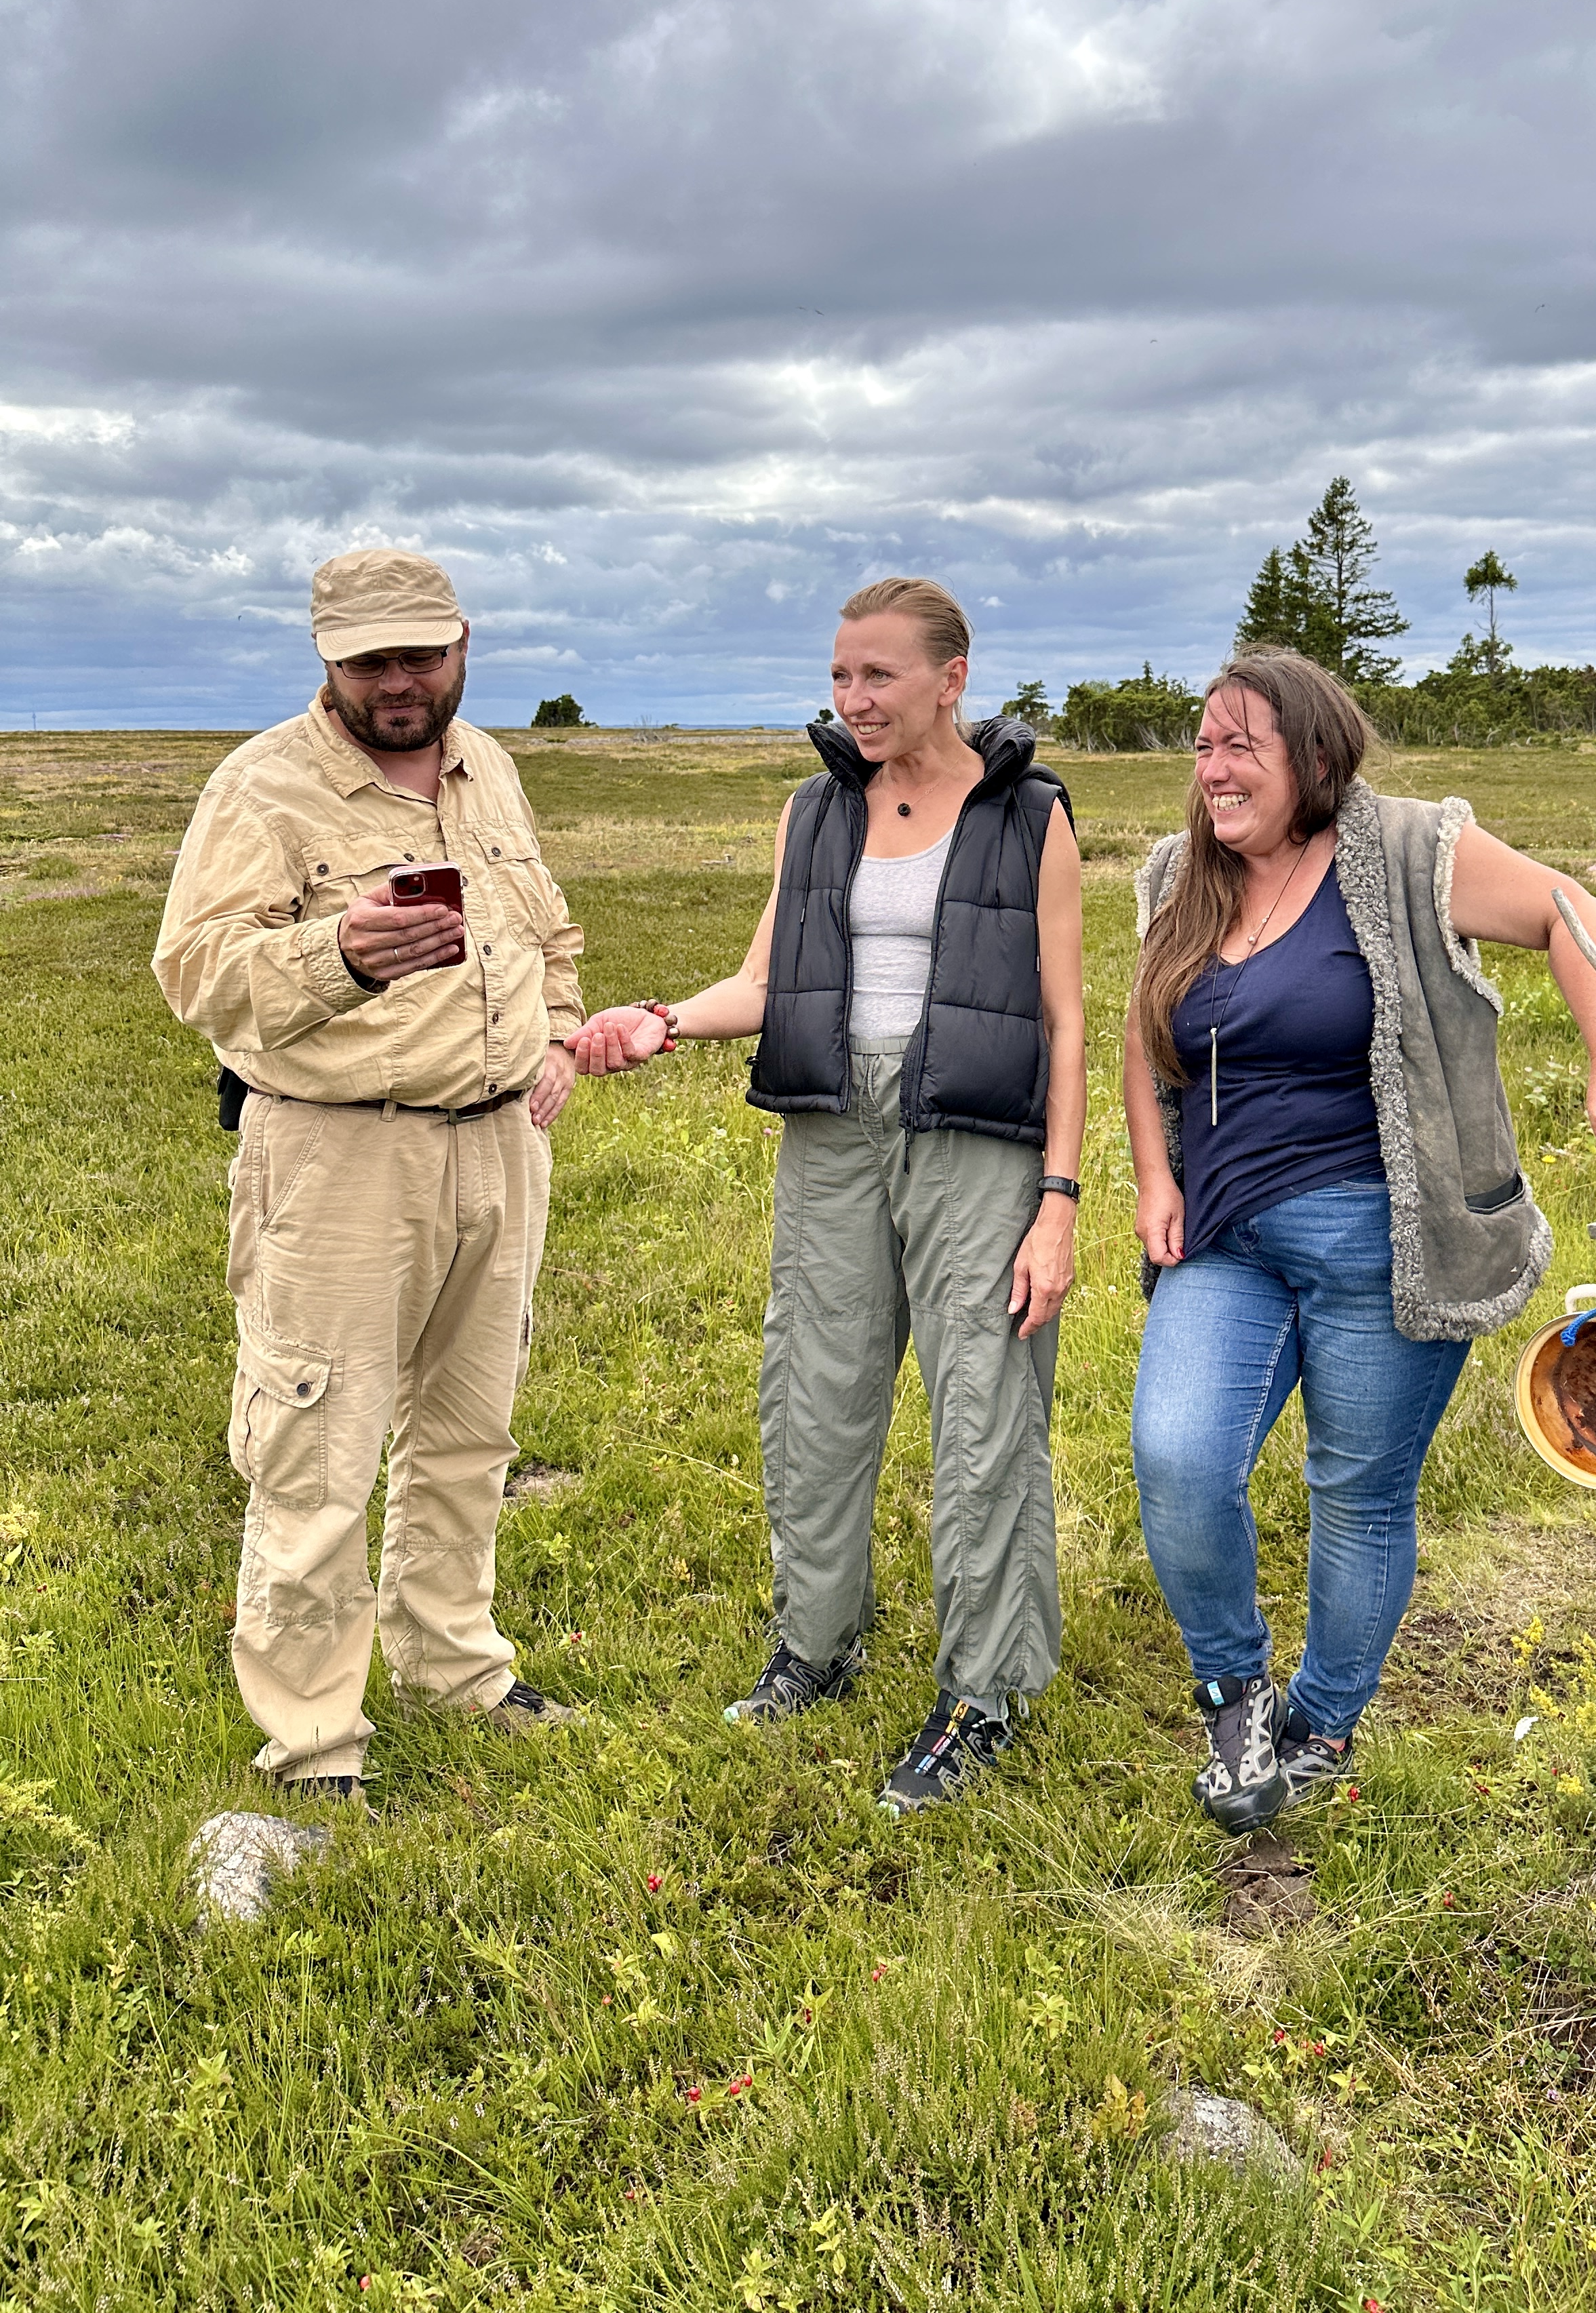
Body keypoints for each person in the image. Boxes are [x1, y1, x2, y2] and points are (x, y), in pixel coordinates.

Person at [1123, 649, 1596, 1835]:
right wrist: (1156, 1175)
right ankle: (1235, 1697)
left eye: (1240, 747)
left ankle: (1321, 1726)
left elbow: (1567, 911)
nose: (1212, 771)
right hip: (1222, 1236)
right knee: (1179, 1459)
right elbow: (1143, 1032)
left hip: (1390, 1234)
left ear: (1315, 757)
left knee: (1359, 1490)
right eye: (1203, 748)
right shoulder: (1180, 875)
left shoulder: (1413, 849)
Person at [573, 577, 1085, 1813]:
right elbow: (766, 982)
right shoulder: (814, 811)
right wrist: (661, 1022)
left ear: (951, 680)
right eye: (842, 674)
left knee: (984, 1405)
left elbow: (1067, 1021)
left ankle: (984, 1695)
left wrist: (1059, 1201)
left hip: (975, 1135)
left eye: (880, 675)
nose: (854, 698)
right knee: (815, 1388)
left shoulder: (1030, 816)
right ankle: (817, 1643)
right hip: (833, 1128)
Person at [152, 549, 586, 1805]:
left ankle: (455, 1669)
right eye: (370, 661)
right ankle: (313, 1742)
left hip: (498, 1146)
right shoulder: (261, 787)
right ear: (327, 659)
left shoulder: (486, 766)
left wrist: (560, 1033)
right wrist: (338, 952)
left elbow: (548, 930)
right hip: (340, 1155)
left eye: (422, 655)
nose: (401, 682)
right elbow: (197, 974)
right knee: (318, 1448)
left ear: (464, 645)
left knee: (469, 1431)